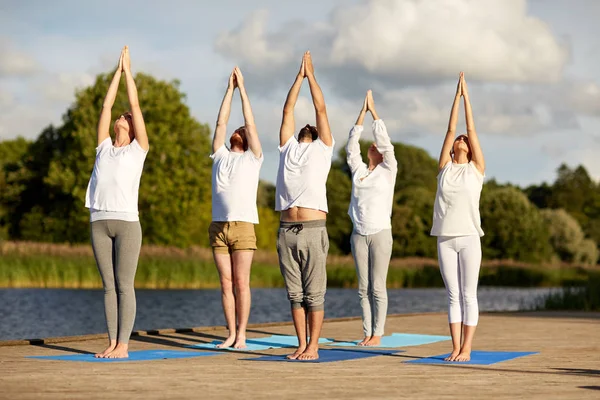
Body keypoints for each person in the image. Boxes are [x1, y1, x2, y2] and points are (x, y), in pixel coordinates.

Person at [85, 46, 149, 359]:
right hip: (98, 220)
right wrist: (116, 73)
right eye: (120, 117)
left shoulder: (138, 150)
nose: (123, 116)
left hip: (126, 222)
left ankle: (124, 345)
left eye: (128, 117)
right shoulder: (103, 148)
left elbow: (134, 104)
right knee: (108, 286)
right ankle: (112, 342)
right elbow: (106, 106)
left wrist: (129, 73)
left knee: (125, 284)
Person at [275, 51, 334, 360]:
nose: (308, 126)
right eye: (305, 126)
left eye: (311, 126)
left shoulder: (323, 150)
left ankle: (314, 346)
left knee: (314, 293)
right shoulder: (287, 149)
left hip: (311, 228)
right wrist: (297, 78)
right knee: (294, 294)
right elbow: (288, 109)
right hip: (286, 229)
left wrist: (311, 77)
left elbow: (320, 108)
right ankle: (301, 344)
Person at [431, 72, 485, 362]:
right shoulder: (445, 168)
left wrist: (467, 98)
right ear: (453, 148)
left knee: (468, 294)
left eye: (466, 140)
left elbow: (470, 129)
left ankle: (467, 348)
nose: (462, 139)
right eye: (459, 140)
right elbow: (451, 129)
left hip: (469, 237)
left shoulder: (476, 169)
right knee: (452, 295)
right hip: (445, 237)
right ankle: (455, 347)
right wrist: (455, 96)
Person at [209, 67, 263, 349]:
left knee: (241, 283)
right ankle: (230, 333)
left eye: (241, 130)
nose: (237, 131)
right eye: (236, 130)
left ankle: (242, 335)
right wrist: (228, 90)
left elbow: (250, 124)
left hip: (242, 225)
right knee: (225, 283)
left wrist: (242, 89)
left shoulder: (253, 158)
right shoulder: (219, 155)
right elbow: (220, 123)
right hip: (218, 226)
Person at [346, 90, 397, 346]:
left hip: (380, 233)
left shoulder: (388, 170)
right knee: (362, 288)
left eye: (376, 146)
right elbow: (351, 147)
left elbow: (386, 143)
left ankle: (378, 333)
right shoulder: (359, 171)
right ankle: (367, 332)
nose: (373, 145)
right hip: (358, 233)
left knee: (378, 286)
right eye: (372, 144)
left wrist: (374, 112)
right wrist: (361, 115)